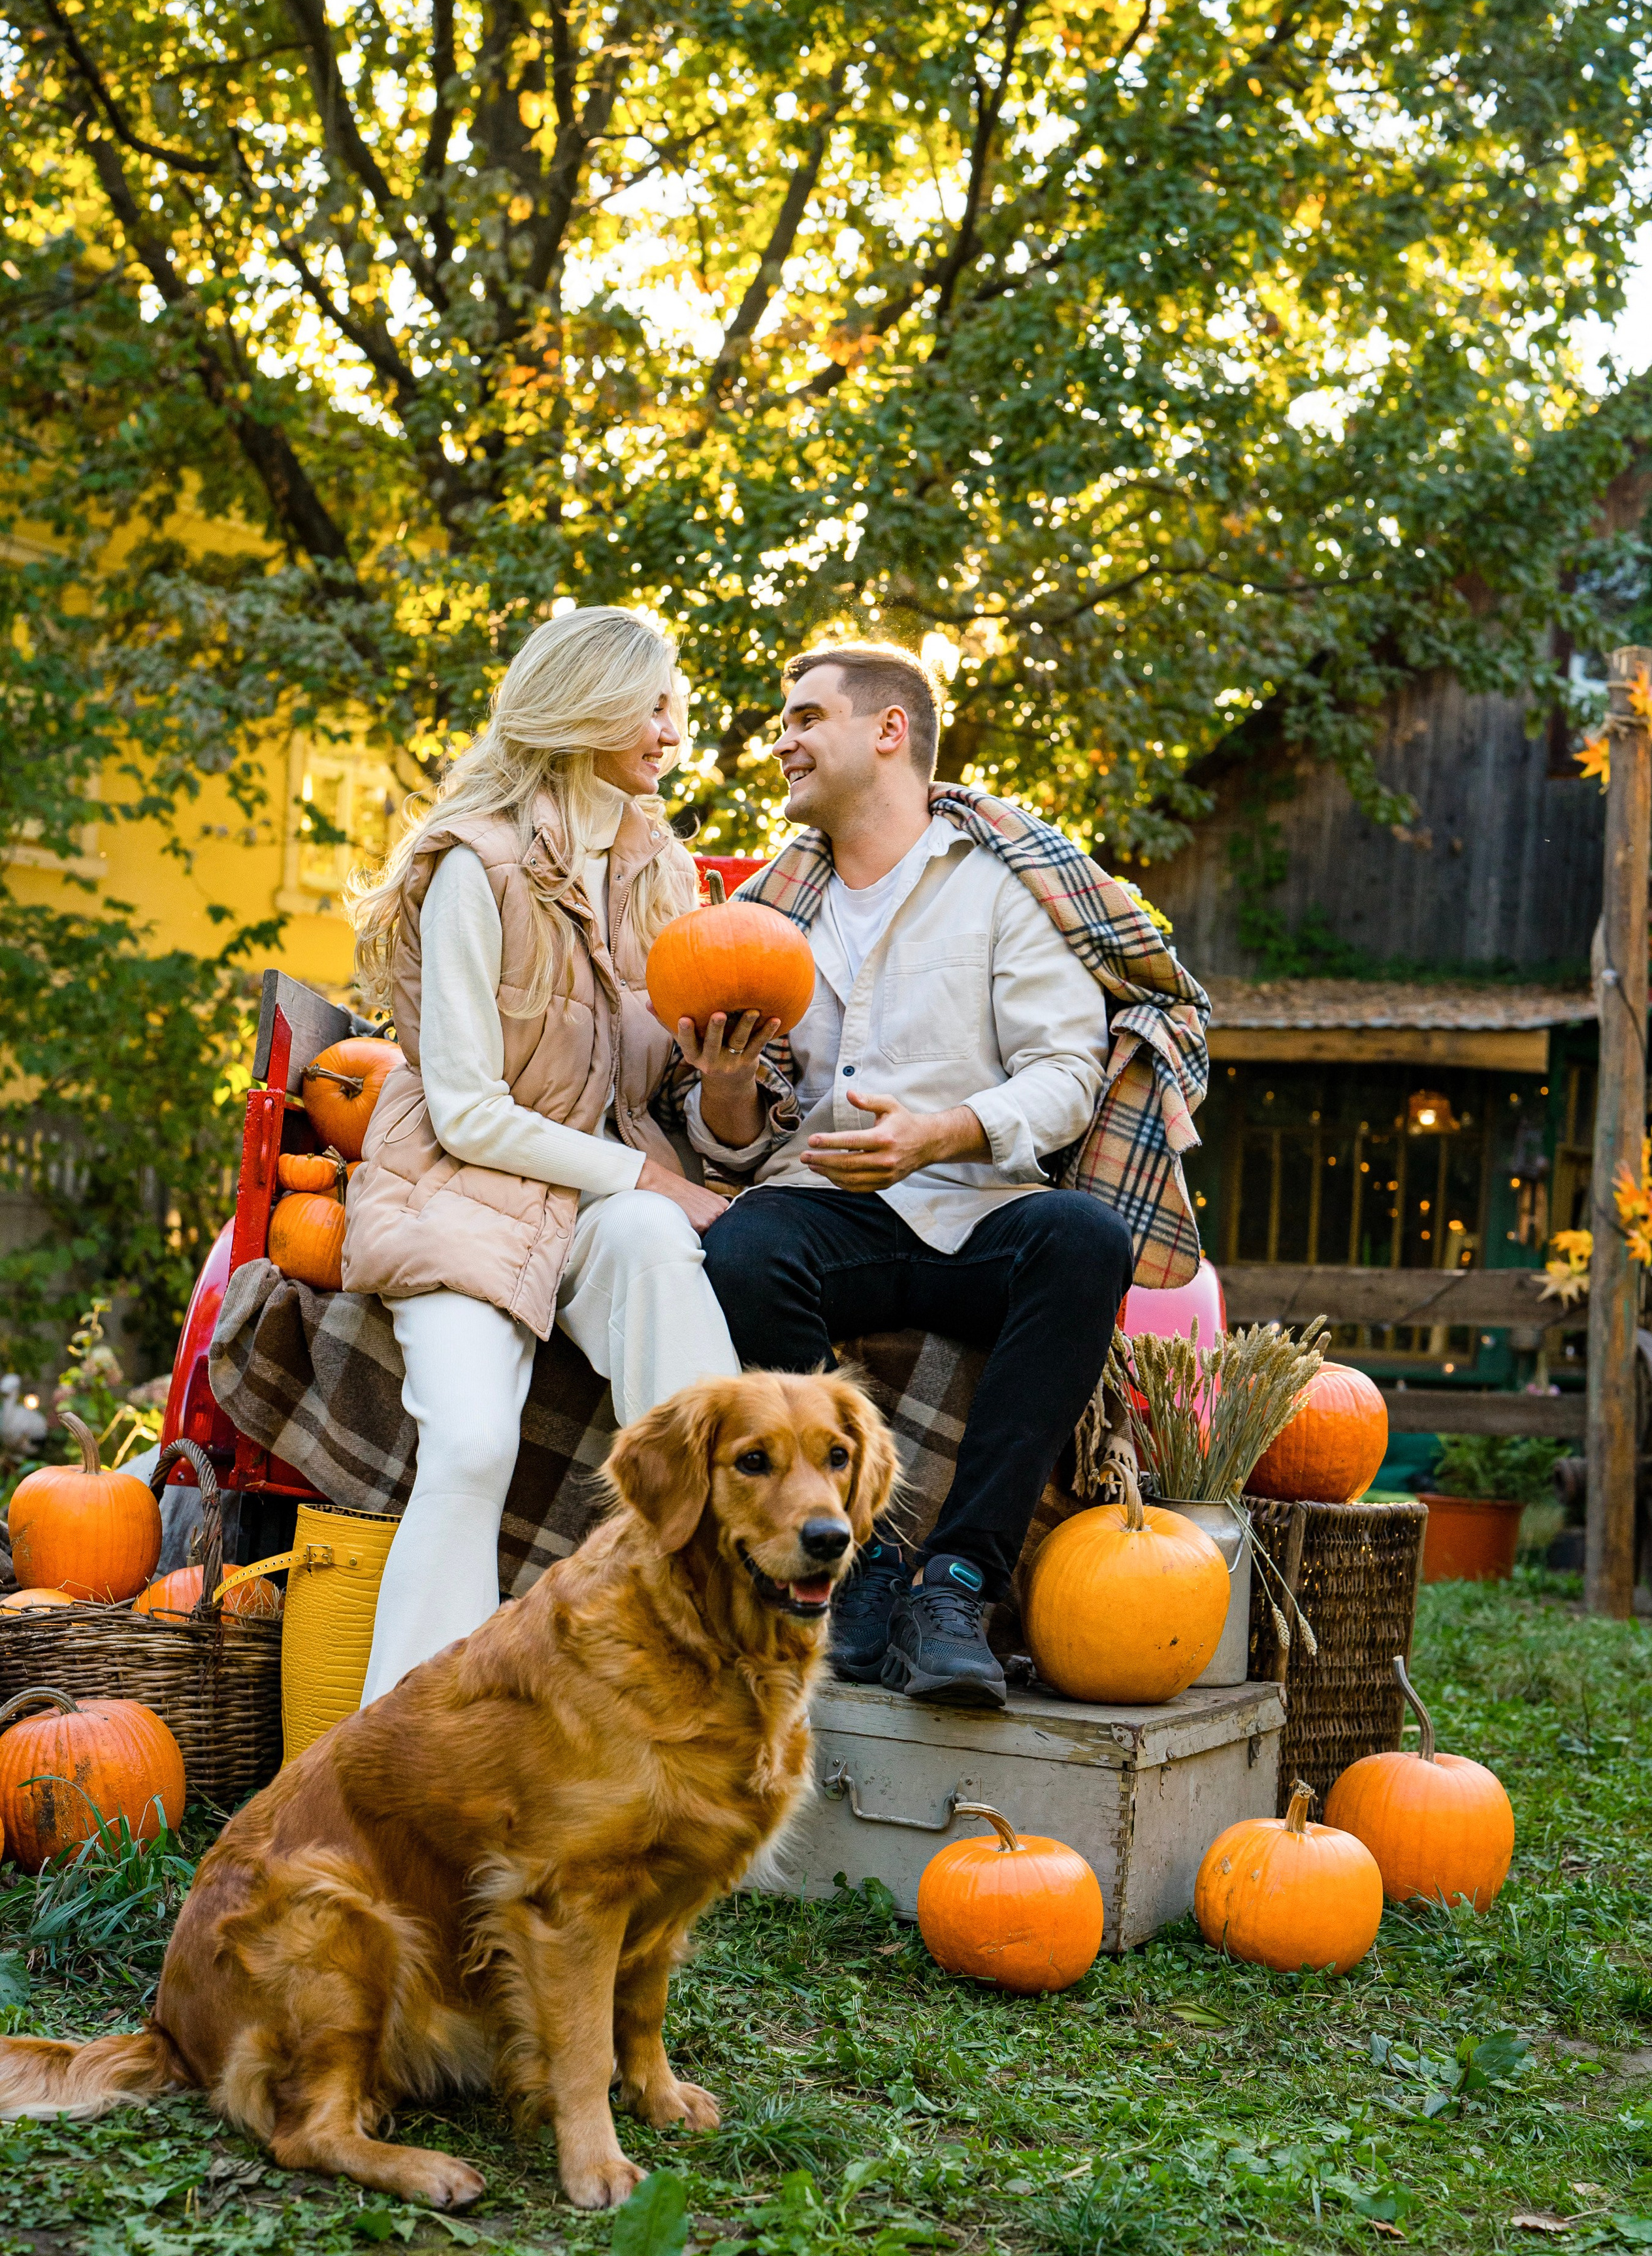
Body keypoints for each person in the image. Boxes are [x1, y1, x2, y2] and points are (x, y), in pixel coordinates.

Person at [689, 642, 1208, 1711]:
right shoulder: (773, 913)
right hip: (831, 1213)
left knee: (1083, 1242)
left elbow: (1069, 1073)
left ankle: (958, 1583)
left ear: (889, 732)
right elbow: (735, 1139)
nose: (780, 739)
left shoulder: (1005, 888)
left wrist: (946, 1133)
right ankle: (867, 1566)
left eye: (803, 716)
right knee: (740, 1247)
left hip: (977, 1210)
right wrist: (729, 1086)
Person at [342, 605, 769, 1702]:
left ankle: (736, 1572)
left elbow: (664, 1094)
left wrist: (721, 1083)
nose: (676, 730)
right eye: (657, 703)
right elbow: (466, 1112)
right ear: (587, 705)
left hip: (588, 1194)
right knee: (475, 1445)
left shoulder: (659, 870)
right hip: (461, 1195)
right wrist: (653, 1177)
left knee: (650, 1243)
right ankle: (398, 1751)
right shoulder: (472, 871)